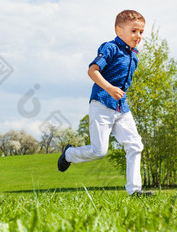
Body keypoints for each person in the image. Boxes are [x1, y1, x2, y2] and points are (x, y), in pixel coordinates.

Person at [57, 10, 154, 197]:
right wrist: (109, 88)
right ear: (119, 31)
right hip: (102, 103)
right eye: (134, 31)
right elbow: (92, 70)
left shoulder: (134, 56)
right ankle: (69, 154)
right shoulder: (109, 48)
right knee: (99, 151)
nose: (138, 36)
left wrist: (118, 95)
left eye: (141, 32)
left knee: (135, 145)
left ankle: (135, 191)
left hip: (121, 108)